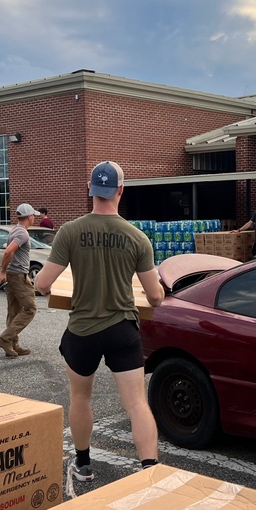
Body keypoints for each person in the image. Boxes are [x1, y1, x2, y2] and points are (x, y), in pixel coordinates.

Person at [35, 161, 165, 484]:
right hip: (122, 328)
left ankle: (83, 465)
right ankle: (149, 470)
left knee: (80, 397)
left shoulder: (70, 231)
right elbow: (155, 297)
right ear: (120, 191)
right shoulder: (137, 238)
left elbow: (42, 284)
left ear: (90, 189)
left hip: (82, 330)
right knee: (137, 402)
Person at [0, 204, 38, 358]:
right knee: (30, 308)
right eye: (34, 215)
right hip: (18, 275)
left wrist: (5, 272)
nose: (34, 218)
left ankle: (13, 344)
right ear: (29, 217)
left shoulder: (15, 230)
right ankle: (6, 338)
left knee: (14, 309)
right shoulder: (22, 234)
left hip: (13, 274)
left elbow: (9, 250)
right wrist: (2, 271)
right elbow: (8, 251)